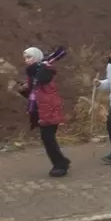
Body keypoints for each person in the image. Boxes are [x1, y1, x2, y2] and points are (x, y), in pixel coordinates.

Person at [17, 46, 71, 177]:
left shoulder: (45, 70)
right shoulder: (34, 72)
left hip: (50, 109)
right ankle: (62, 161)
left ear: (36, 57)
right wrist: (24, 90)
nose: (26, 60)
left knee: (48, 138)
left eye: (29, 57)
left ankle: (60, 165)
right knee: (48, 139)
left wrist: (40, 68)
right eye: (25, 58)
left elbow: (43, 81)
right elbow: (33, 93)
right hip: (42, 109)